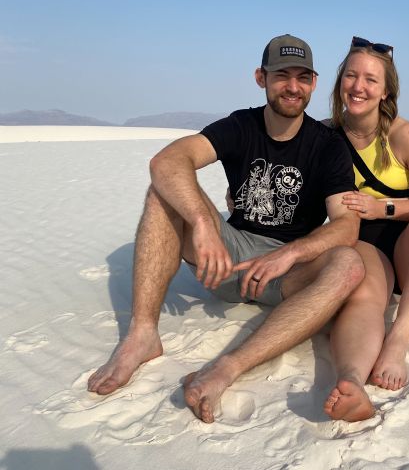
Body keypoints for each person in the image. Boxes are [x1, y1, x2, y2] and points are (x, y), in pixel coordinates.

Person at [87, 34, 373, 424]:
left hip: (287, 276)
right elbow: (168, 161)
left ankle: (228, 368)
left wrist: (288, 253)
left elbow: (346, 224)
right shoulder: (241, 125)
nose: (293, 87)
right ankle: (142, 334)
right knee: (161, 194)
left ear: (314, 83)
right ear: (261, 77)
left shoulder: (326, 145)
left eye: (303, 77)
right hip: (227, 258)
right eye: (282, 76)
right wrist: (205, 224)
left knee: (349, 263)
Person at [322, 36, 409, 417]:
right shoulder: (323, 135)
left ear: (386, 91)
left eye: (370, 79)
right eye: (351, 76)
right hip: (366, 252)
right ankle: (350, 381)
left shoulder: (404, 136)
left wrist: (379, 207)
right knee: (366, 301)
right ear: (340, 83)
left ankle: (400, 336)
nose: (358, 86)